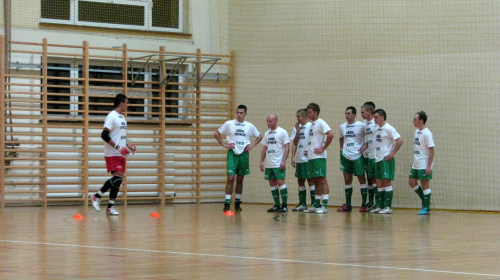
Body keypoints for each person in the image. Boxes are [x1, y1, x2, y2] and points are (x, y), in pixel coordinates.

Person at [91, 93, 136, 215]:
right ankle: (96, 196)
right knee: (117, 177)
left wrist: (128, 144)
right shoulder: (111, 116)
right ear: (121, 103)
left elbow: (121, 136)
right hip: (112, 152)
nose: (127, 105)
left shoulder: (122, 118)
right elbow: (104, 135)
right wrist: (118, 147)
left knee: (118, 180)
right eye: (126, 103)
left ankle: (110, 207)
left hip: (121, 152)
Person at [214, 105, 262, 212]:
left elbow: (260, 136)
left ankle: (237, 202)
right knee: (231, 178)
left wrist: (252, 145)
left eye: (241, 113)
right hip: (233, 153)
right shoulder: (229, 124)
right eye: (238, 113)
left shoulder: (249, 126)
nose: (239, 115)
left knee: (240, 179)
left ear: (245, 114)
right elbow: (216, 134)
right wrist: (224, 144)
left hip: (244, 154)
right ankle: (227, 203)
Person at [298, 103, 334, 214]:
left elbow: (331, 134)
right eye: (307, 112)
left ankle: (324, 206)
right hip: (311, 156)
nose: (308, 114)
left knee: (322, 179)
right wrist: (308, 150)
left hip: (319, 157)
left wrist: (323, 148)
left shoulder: (321, 123)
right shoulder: (311, 124)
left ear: (316, 112)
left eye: (309, 112)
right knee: (315, 180)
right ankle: (316, 204)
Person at [370, 109, 403, 214]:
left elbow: (400, 140)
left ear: (382, 117)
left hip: (385, 159)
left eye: (376, 117)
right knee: (379, 183)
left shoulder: (389, 128)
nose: (374, 119)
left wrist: (392, 154)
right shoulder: (377, 129)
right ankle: (380, 205)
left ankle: (388, 207)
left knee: (386, 182)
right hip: (378, 158)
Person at [338, 106, 368, 212]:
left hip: (357, 156)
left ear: (354, 114)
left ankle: (364, 204)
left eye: (349, 113)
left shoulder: (361, 125)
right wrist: (341, 149)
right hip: (346, 156)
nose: (347, 115)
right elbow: (341, 138)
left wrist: (365, 146)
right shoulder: (342, 126)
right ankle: (348, 204)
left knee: (361, 179)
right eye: (346, 113)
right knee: (347, 179)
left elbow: (369, 137)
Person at [260, 115, 290, 212]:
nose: (268, 123)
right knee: (272, 183)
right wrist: (261, 161)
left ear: (276, 121)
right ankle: (276, 205)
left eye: (270, 121)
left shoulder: (282, 132)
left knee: (280, 182)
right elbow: (265, 148)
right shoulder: (267, 133)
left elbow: (287, 147)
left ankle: (284, 205)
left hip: (278, 163)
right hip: (269, 164)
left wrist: (283, 161)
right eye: (267, 121)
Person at [408, 111, 435, 215]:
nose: (413, 121)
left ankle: (427, 208)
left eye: (415, 120)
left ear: (421, 121)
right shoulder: (417, 132)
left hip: (424, 164)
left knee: (425, 184)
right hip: (416, 163)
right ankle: (424, 200)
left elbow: (432, 150)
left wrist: (429, 166)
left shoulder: (427, 134)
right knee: (412, 182)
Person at [289, 109, 315, 211]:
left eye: (299, 116)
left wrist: (311, 150)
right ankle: (302, 204)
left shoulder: (311, 126)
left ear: (305, 116)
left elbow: (316, 140)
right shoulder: (297, 128)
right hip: (299, 158)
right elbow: (295, 143)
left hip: (307, 159)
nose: (297, 119)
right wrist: (292, 157)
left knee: (310, 180)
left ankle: (314, 204)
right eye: (297, 116)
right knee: (300, 181)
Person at [361, 102, 378, 211]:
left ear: (369, 112)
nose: (361, 114)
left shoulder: (376, 123)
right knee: (369, 177)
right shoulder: (364, 124)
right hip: (366, 154)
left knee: (375, 178)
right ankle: (370, 201)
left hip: (375, 154)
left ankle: (378, 202)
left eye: (363, 112)